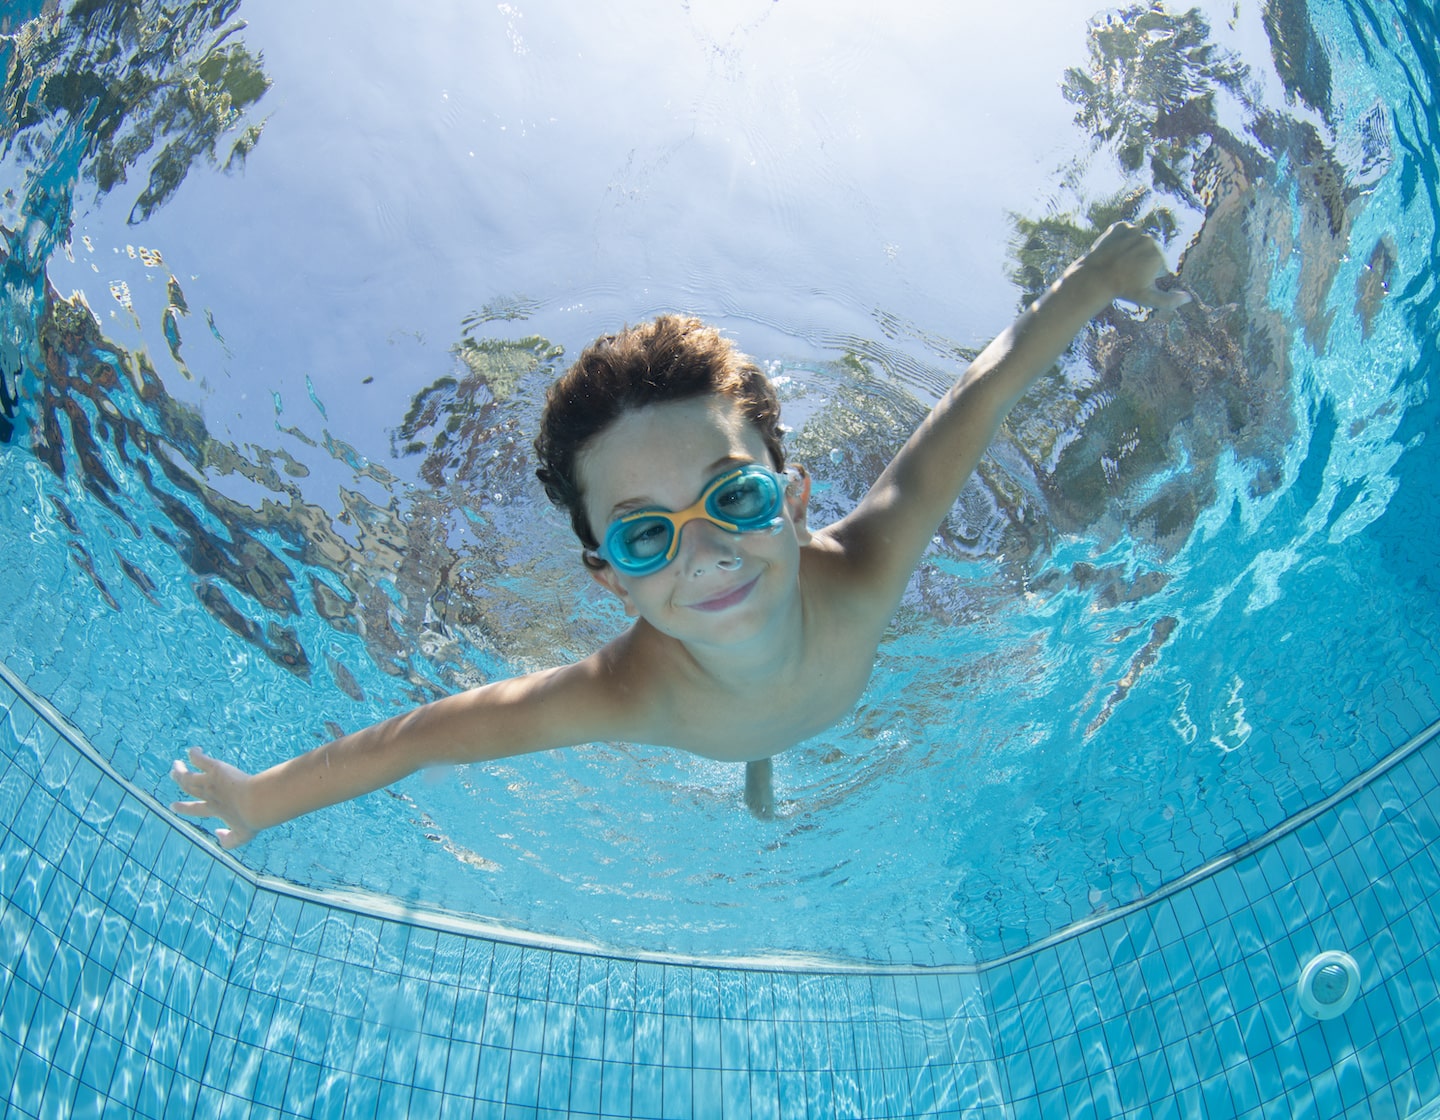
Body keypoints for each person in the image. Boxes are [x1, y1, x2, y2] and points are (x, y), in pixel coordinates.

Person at [171, 222, 1188, 845]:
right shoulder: (625, 691)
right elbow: (424, 736)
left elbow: (979, 397)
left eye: (734, 499)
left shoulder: (868, 566)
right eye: (645, 537)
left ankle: (759, 763)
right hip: (733, 720)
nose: (703, 551)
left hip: (809, 694)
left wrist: (1092, 281)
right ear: (609, 579)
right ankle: (757, 766)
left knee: (781, 744)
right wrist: (264, 798)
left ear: (792, 502)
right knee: (759, 760)